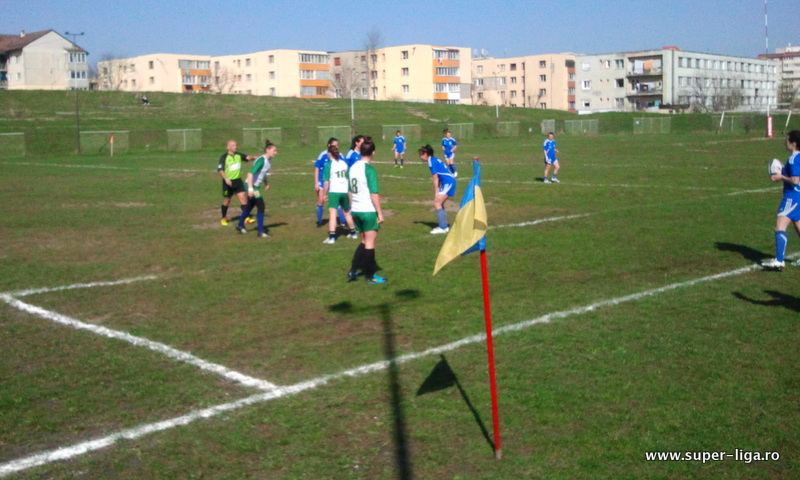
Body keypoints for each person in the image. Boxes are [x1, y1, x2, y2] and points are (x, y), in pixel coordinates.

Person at [347, 138, 387, 284]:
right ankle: (370, 276)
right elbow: (374, 194)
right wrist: (380, 213)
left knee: (364, 241)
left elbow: (349, 190)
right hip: (367, 211)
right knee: (370, 242)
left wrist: (353, 206)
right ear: (373, 152)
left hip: (356, 210)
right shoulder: (369, 170)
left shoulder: (352, 168)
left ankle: (353, 271)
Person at [762, 130, 800, 270]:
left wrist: (781, 177)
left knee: (780, 227)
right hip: (798, 197)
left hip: (792, 197)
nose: (785, 142)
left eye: (787, 140)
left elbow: (795, 180)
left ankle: (779, 260)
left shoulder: (793, 159)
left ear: (794, 143)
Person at [236, 141, 278, 238]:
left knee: (249, 206)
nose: (276, 152)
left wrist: (266, 182)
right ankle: (260, 231)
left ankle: (240, 225)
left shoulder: (269, 160)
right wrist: (250, 189)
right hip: (251, 185)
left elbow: (263, 173)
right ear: (267, 150)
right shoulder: (261, 160)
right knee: (261, 205)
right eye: (274, 150)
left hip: (255, 186)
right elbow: (250, 174)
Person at [322, 144, 358, 244]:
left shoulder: (329, 165)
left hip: (334, 191)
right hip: (344, 191)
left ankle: (332, 237)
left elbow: (326, 182)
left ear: (329, 154)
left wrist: (324, 194)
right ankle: (353, 233)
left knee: (333, 214)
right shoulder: (344, 163)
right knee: (347, 213)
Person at [419, 144, 456, 234]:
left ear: (426, 154)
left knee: (437, 203)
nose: (420, 157)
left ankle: (443, 227)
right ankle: (444, 226)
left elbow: (435, 177)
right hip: (448, 181)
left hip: (448, 182)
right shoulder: (433, 159)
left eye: (421, 154)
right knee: (440, 203)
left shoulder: (431, 161)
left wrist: (436, 192)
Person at [217, 140, 256, 226]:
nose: (236, 146)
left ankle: (246, 217)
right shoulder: (224, 157)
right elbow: (220, 170)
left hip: (238, 181)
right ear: (228, 147)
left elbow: (248, 157)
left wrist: (259, 157)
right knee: (227, 200)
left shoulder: (238, 155)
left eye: (236, 145)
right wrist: (226, 179)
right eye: (233, 145)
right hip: (228, 182)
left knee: (243, 198)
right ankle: (223, 218)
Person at [314, 137, 344, 227]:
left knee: (338, 202)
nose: (336, 147)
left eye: (337, 145)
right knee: (321, 200)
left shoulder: (340, 155)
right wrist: (316, 183)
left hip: (334, 181)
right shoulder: (323, 155)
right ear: (329, 145)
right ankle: (319, 221)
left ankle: (343, 221)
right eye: (334, 145)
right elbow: (317, 169)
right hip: (322, 180)